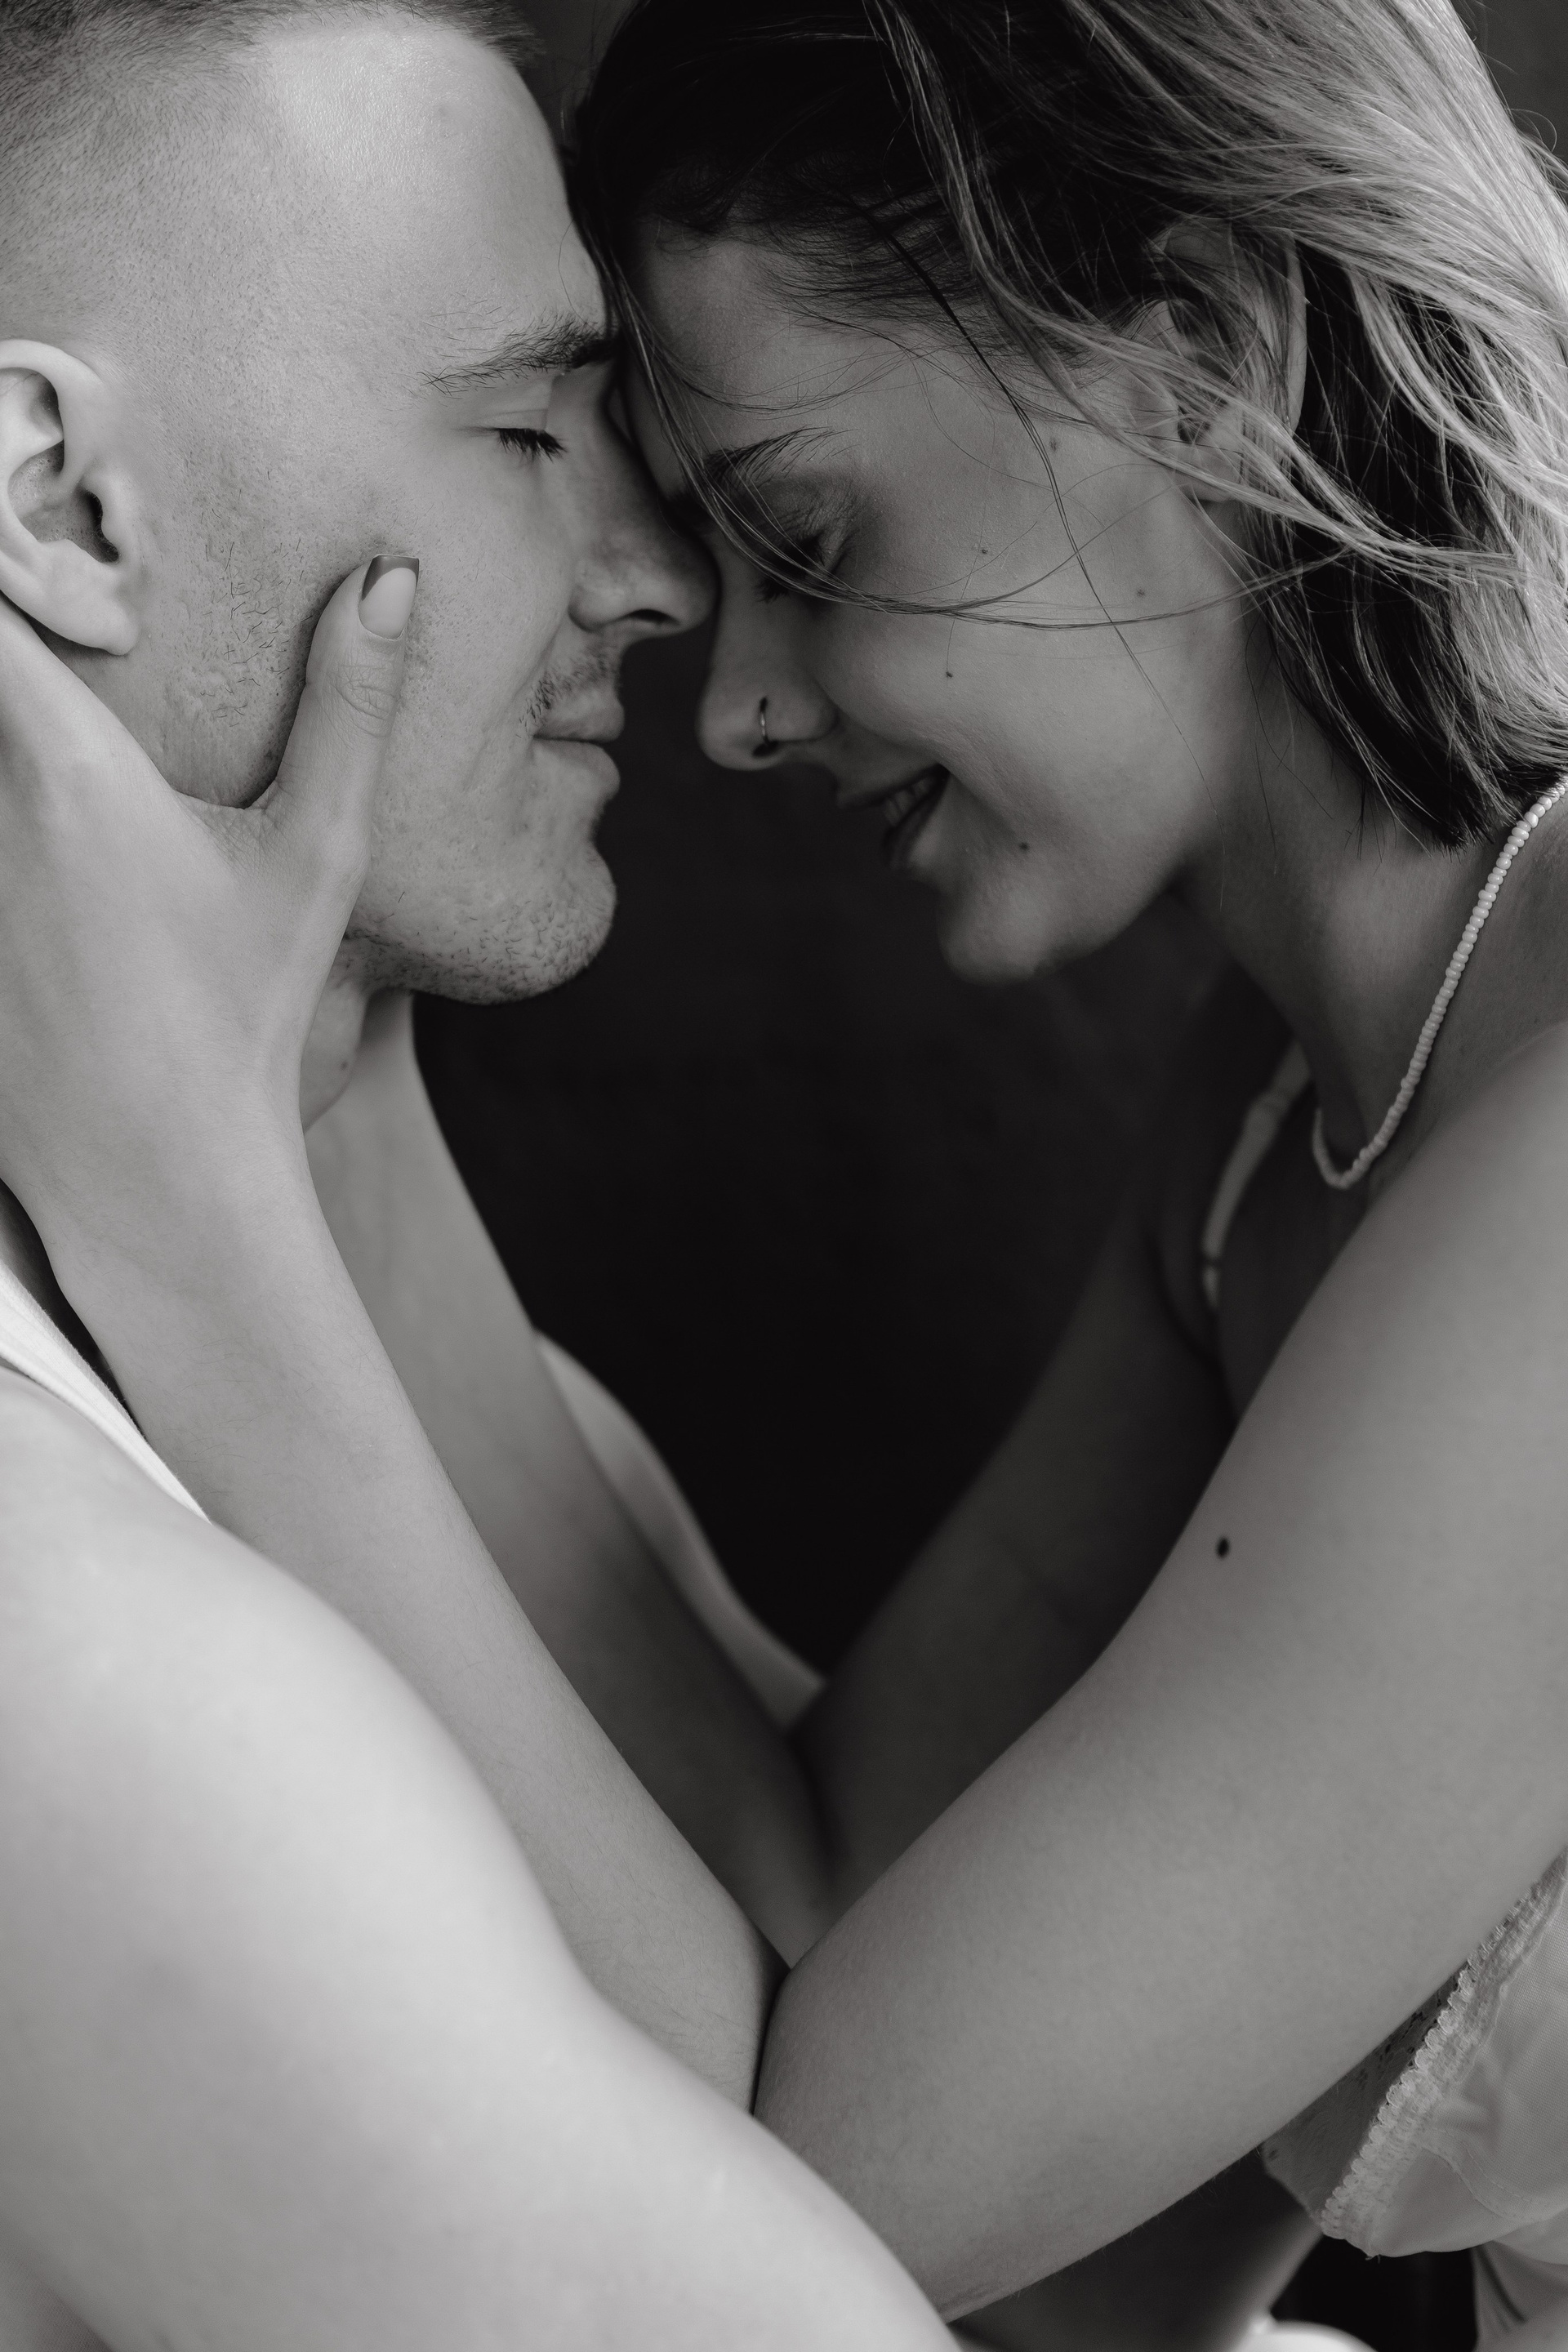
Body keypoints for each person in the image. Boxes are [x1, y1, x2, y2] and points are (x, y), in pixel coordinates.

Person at [1, 7, 1560, 2352]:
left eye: (807, 539)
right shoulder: (1273, 1140)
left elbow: (813, 2203)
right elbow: (889, 1987)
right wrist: (333, 1080)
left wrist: (199, 1235)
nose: (727, 705)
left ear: (1207, 363)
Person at [0, 2, 951, 2345]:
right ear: (61, 504)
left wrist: (319, 1079)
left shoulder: (474, 1417)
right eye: (526, 428)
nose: (664, 581)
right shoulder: (88, 1666)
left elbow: (886, 2072)